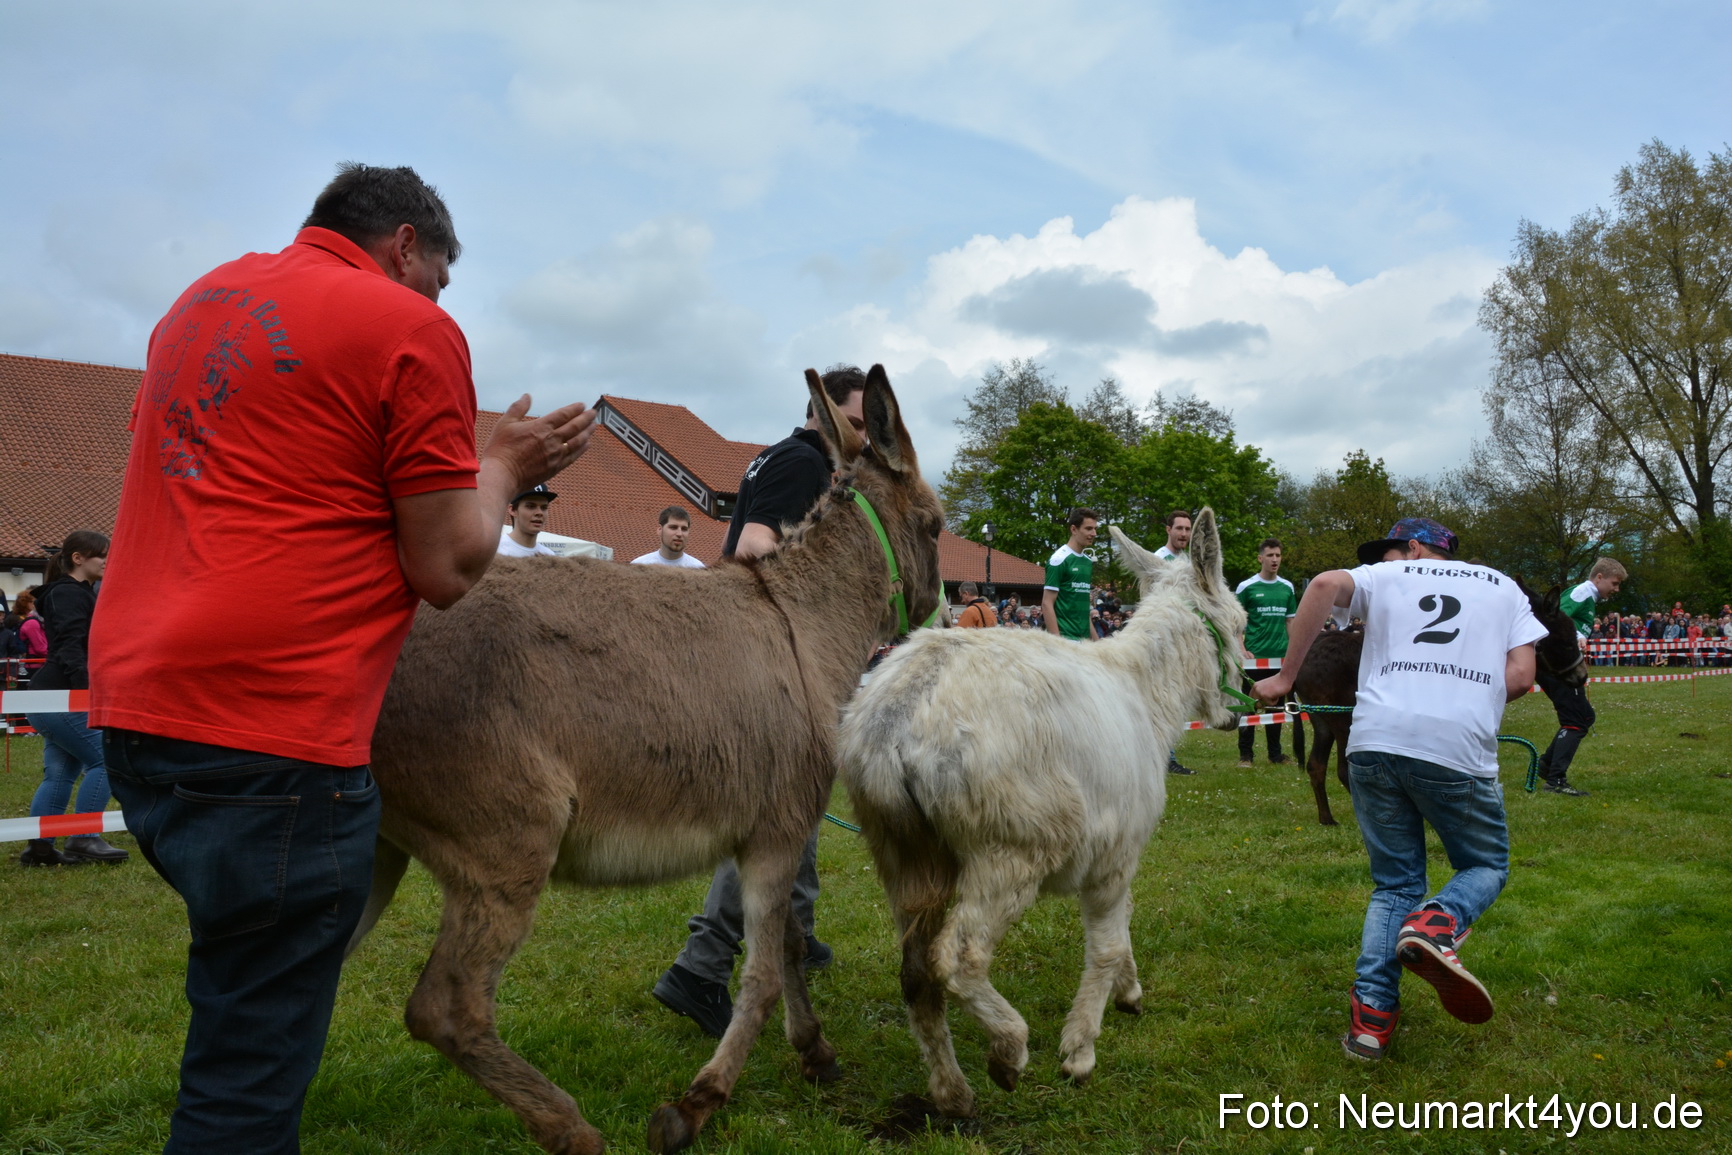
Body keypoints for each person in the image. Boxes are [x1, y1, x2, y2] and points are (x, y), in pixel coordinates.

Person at [87, 163, 594, 1155]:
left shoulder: (199, 303)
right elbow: (448, 563)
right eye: (439, 280)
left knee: (239, 1005)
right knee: (247, 1075)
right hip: (273, 730)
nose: (441, 303)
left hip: (141, 713)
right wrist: (503, 466)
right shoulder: (408, 327)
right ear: (406, 245)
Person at [1252, 518, 1544, 1062]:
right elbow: (1523, 676)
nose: (1382, 563)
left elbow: (1319, 588)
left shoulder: (1389, 578)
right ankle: (1438, 924)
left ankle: (1371, 1025)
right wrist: (1466, 699)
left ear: (1413, 548)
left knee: (1394, 887)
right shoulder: (1504, 587)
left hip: (1375, 739)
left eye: (1386, 552)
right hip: (1455, 745)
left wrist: (1287, 677)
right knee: (1485, 866)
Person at [652, 366, 867, 1039]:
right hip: (770, 664)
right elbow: (751, 551)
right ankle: (701, 966)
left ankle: (797, 935)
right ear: (824, 414)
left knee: (791, 809)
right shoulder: (802, 462)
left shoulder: (780, 456)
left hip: (758, 657)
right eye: (856, 423)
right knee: (774, 816)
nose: (864, 436)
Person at [19, 531, 130, 867]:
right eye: (101, 556)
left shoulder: (73, 592)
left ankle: (40, 848)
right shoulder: (68, 593)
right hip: (63, 695)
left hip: (49, 696)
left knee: (61, 774)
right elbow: (71, 647)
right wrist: (86, 695)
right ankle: (84, 838)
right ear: (79, 558)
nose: (107, 562)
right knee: (106, 763)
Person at [1536, 557, 1625, 796]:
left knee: (1584, 716)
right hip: (1556, 665)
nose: (1616, 589)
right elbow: (1552, 618)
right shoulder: (1581, 593)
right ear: (1599, 578)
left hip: (1560, 664)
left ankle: (1545, 766)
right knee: (1575, 719)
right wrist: (1575, 636)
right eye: (1614, 583)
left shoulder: (1587, 596)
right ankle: (1554, 781)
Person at [1235, 537, 1297, 768]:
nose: (1274, 560)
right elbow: (1236, 623)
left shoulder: (1287, 587)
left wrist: (1293, 652)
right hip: (1254, 659)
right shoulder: (1246, 587)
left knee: (1276, 707)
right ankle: (1245, 756)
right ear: (1260, 558)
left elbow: (1291, 622)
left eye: (1278, 555)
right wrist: (1242, 649)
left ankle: (1275, 754)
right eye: (1270, 555)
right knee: (1249, 706)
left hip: (1279, 658)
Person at [1154, 509, 1198, 774]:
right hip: (1162, 641)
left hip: (1183, 641)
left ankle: (1167, 755)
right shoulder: (1158, 559)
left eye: (1187, 529)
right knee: (1162, 698)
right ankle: (1164, 758)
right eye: (1179, 528)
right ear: (1168, 529)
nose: (1184, 534)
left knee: (1176, 699)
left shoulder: (1190, 562)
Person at [1043, 509, 1099, 641]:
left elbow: (1084, 609)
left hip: (1084, 642)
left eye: (1095, 529)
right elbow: (1046, 603)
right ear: (1074, 529)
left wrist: (1097, 642)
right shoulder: (1059, 559)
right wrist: (1057, 642)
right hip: (1065, 640)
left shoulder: (1087, 561)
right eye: (1089, 529)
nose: (1094, 533)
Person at [631, 505, 706, 568]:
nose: (679, 534)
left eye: (684, 529)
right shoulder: (640, 566)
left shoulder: (697, 569)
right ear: (660, 530)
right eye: (673, 527)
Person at [497, 484, 560, 556]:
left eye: (544, 507)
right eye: (531, 506)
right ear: (512, 510)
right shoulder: (495, 550)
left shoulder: (549, 556)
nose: (539, 513)